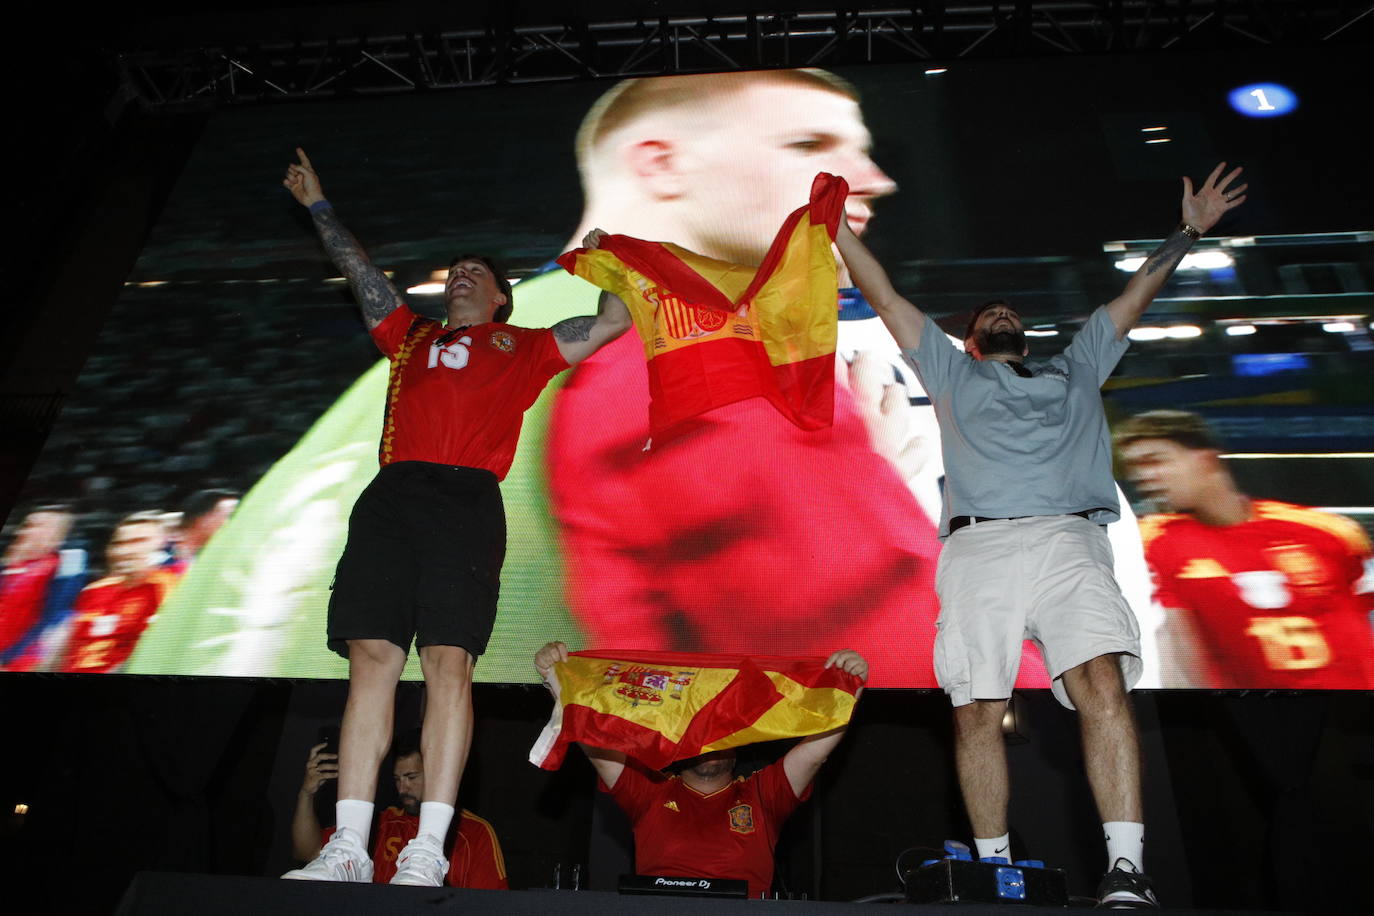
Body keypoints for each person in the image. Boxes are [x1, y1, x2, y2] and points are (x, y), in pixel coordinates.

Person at [836, 161, 1249, 908]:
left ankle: (1126, 870)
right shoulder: (950, 373)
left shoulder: (1079, 365)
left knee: (1103, 689)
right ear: (968, 342)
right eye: (985, 314)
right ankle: (992, 869)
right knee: (974, 708)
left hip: (1069, 543)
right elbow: (885, 295)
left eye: (1007, 312)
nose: (999, 312)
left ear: (1023, 336)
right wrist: (835, 227)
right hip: (978, 548)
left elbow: (1134, 295)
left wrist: (1187, 231)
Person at [278, 148, 631, 886]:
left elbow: (611, 324)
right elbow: (360, 274)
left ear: (502, 299)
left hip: (466, 500)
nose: (461, 275)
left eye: (478, 272)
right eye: (454, 270)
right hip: (393, 496)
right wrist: (319, 205)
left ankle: (428, 849)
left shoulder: (525, 347)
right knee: (371, 661)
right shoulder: (407, 336)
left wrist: (610, 265)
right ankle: (347, 847)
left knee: (447, 663)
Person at [534, 641, 867, 898]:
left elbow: (813, 754)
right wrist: (560, 681)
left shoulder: (763, 794)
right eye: (700, 737)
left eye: (718, 737)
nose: (708, 746)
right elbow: (593, 736)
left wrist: (848, 690)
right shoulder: (650, 791)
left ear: (738, 747)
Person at [1114, 409, 1374, 688]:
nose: (1143, 476)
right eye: (1135, 469)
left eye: (1154, 461)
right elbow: (1174, 645)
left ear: (1206, 459)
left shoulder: (1328, 531)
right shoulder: (1154, 543)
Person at [291, 733, 508, 888]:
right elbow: (306, 852)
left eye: (411, 777)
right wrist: (306, 793)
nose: (402, 788)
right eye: (397, 779)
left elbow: (490, 903)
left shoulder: (474, 832)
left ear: (439, 772)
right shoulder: (383, 823)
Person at [54, 511, 180, 673]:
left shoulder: (167, 588)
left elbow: (158, 650)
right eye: (120, 543)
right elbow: (63, 648)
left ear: (160, 545)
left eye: (138, 541)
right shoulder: (94, 591)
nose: (126, 551)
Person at [0, 504, 86, 669]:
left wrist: (8, 658)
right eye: (26, 525)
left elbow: (52, 619)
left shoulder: (60, 565)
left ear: (55, 534)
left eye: (34, 526)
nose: (21, 532)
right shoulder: (13, 566)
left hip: (17, 659)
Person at [169, 489, 240, 571]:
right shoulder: (162, 558)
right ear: (203, 519)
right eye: (231, 516)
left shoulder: (228, 560)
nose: (236, 523)